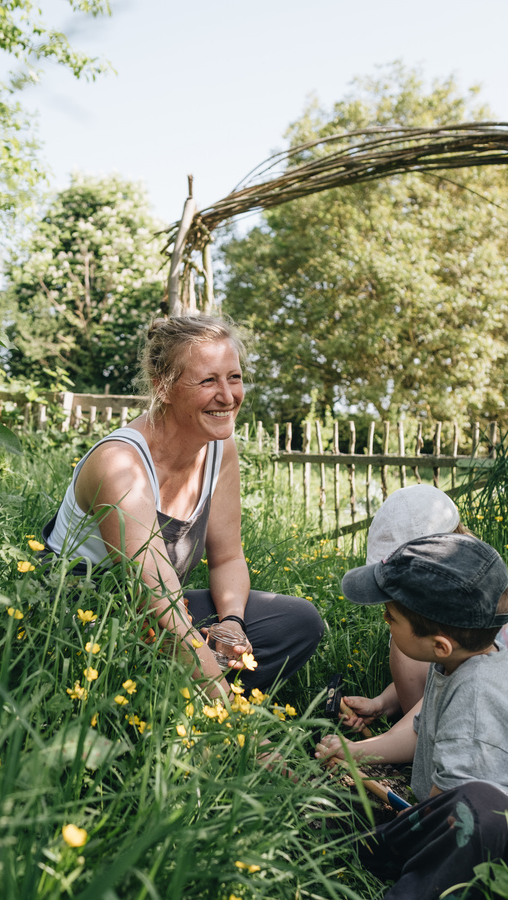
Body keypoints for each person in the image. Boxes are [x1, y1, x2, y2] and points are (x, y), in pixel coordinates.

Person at [41, 314, 324, 698]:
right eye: (208, 381)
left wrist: (232, 624)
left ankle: (179, 698)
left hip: (156, 613)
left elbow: (227, 558)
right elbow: (162, 609)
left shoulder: (219, 449)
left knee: (297, 621)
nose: (228, 396)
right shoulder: (119, 464)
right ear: (163, 386)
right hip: (84, 621)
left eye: (234, 377)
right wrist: (232, 720)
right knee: (161, 642)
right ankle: (193, 707)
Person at [316, 532, 508, 900]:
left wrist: (414, 819)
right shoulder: (458, 660)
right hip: (443, 813)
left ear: (440, 644)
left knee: (340, 830)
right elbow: (422, 732)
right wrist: (356, 752)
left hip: (474, 843)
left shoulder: (475, 697)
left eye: (391, 617)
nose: (384, 618)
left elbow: (453, 813)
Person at [341, 484, 466, 731]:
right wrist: (382, 704)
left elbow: (440, 704)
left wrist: (375, 747)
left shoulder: (478, 625)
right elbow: (434, 683)